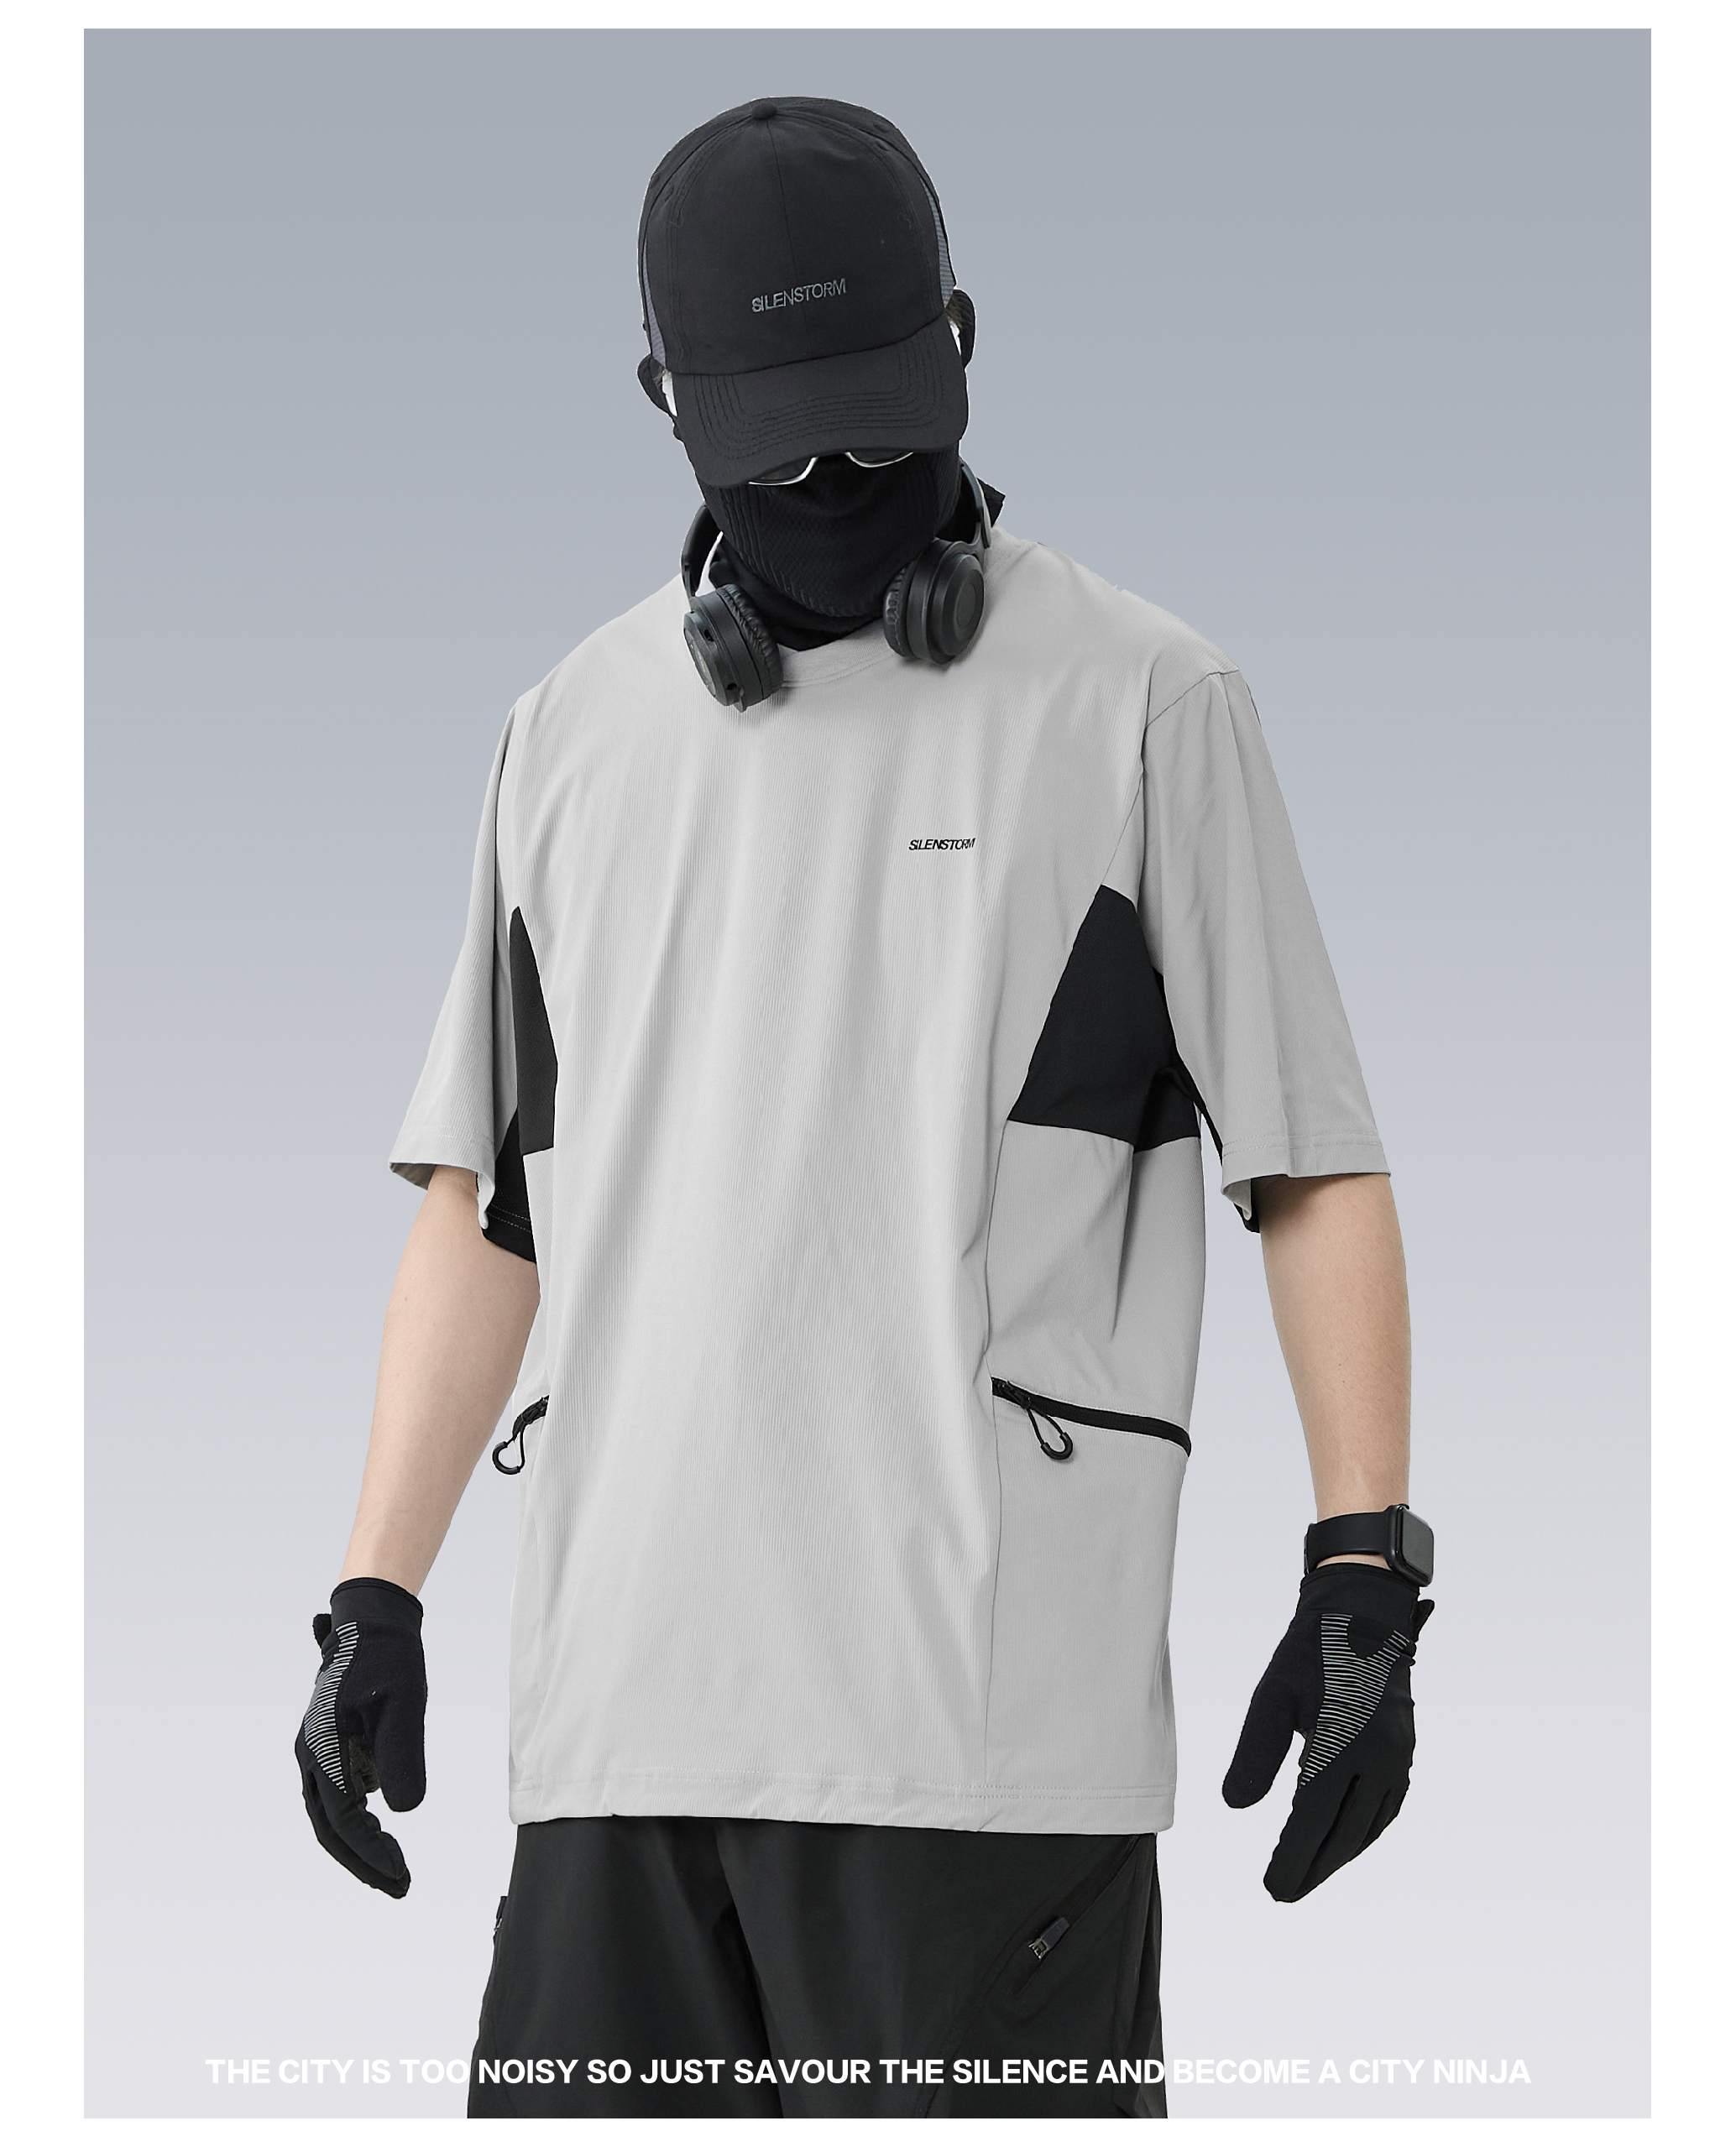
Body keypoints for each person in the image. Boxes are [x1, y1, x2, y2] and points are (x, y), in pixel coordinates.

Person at [295, 95, 1434, 2120]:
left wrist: (1363, 1561)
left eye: (873, 426)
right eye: (780, 442)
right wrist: (374, 1588)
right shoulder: (564, 739)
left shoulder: (1143, 705)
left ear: (960, 348)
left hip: (978, 1743)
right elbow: (491, 1206)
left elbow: (1307, 1158)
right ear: (666, 405)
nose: (832, 482)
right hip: (620, 1727)